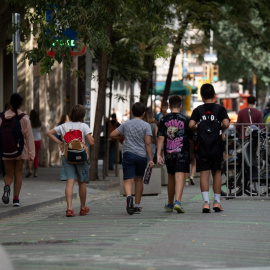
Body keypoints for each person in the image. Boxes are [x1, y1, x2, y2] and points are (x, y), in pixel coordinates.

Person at [47, 104, 94, 217]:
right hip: (82, 157)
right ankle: (83, 208)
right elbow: (91, 142)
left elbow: (49, 132)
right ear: (82, 115)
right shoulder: (83, 126)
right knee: (82, 182)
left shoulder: (63, 126)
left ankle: (69, 208)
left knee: (70, 181)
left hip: (67, 156)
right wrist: (91, 137)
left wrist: (60, 142)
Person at [189, 83, 230, 213]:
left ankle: (206, 203)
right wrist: (221, 129)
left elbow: (190, 124)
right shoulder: (220, 109)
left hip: (202, 146)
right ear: (214, 95)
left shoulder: (198, 110)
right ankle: (217, 202)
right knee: (217, 172)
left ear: (201, 96)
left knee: (204, 173)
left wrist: (198, 128)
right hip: (217, 145)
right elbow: (226, 123)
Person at [110, 102, 154, 215]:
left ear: (132, 112)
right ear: (144, 113)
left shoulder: (126, 124)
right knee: (139, 179)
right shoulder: (146, 126)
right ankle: (137, 205)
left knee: (128, 179)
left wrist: (123, 136)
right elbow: (148, 143)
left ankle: (129, 197)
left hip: (128, 154)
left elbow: (112, 134)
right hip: (141, 156)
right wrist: (150, 158)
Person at [157, 95, 191, 214]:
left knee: (171, 176)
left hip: (169, 152)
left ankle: (170, 203)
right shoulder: (186, 119)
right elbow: (190, 138)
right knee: (180, 176)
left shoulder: (163, 119)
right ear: (181, 106)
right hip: (182, 152)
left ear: (169, 106)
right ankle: (178, 202)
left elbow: (160, 137)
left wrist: (158, 155)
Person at [1, 93, 35, 207]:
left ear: (10, 103)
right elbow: (29, 136)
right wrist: (31, 154)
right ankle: (16, 199)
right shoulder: (24, 118)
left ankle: (7, 186)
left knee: (8, 173)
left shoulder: (2, 117)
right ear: (21, 104)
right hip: (21, 150)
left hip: (7, 150)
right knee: (18, 172)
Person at [26, 110, 42, 178]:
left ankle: (29, 169)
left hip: (31, 140)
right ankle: (35, 173)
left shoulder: (29, 122)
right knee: (36, 156)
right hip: (38, 140)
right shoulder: (40, 123)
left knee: (30, 155)